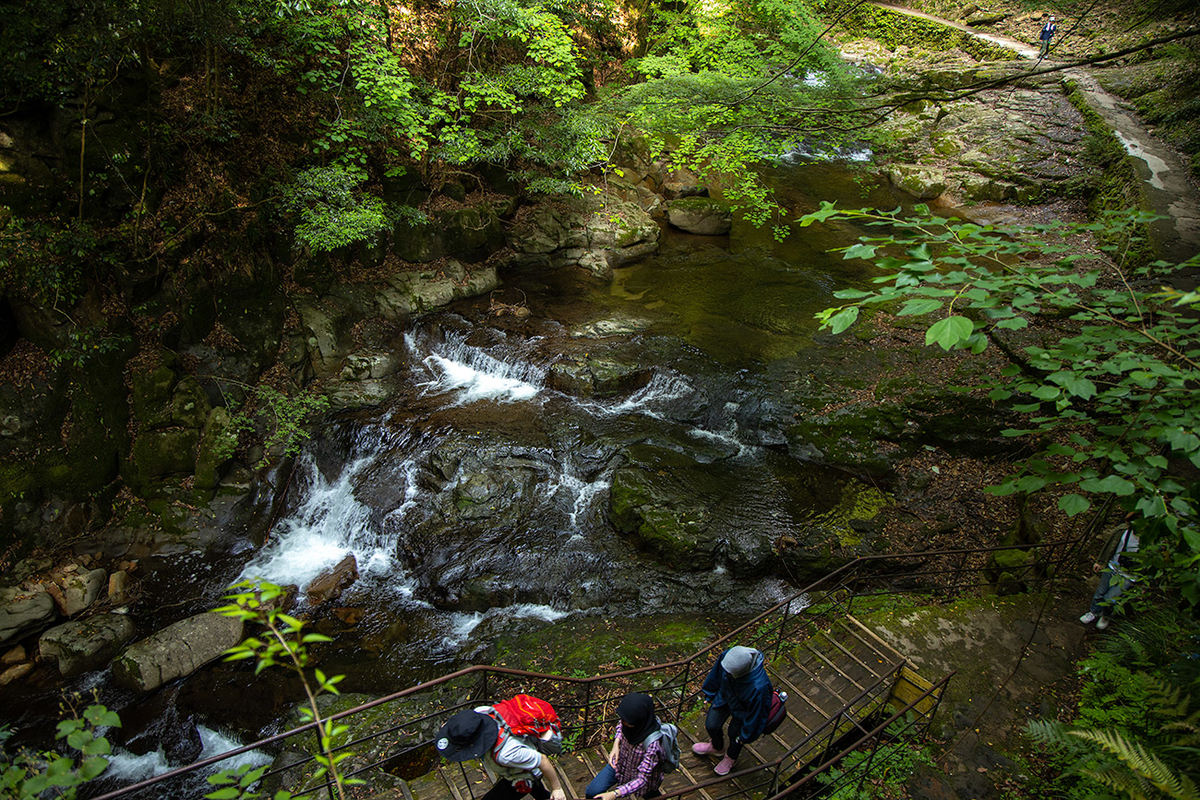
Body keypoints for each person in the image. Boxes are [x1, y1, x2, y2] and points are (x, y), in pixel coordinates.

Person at [435, 706, 567, 800]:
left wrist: (557, 788)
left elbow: (542, 760)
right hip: (518, 765)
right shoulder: (481, 713)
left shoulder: (507, 754)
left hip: (524, 775)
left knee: (533, 785)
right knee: (539, 792)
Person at [691, 645, 776, 776]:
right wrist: (710, 692)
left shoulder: (760, 687)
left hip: (743, 710)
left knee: (735, 736)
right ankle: (716, 746)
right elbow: (717, 672)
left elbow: (757, 714)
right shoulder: (729, 657)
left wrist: (746, 735)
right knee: (711, 724)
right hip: (725, 695)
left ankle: (731, 757)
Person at [586, 693, 669, 800]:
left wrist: (614, 794)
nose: (623, 722)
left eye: (627, 722)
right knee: (592, 791)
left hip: (641, 776)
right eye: (623, 719)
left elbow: (643, 779)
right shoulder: (630, 722)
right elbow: (621, 726)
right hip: (620, 764)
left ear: (639, 720)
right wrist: (616, 745)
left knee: (650, 794)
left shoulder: (653, 745)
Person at [1080, 517, 1140, 631]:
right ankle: (1094, 612)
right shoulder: (1123, 530)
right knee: (1100, 592)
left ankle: (1105, 616)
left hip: (1129, 575)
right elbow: (1110, 546)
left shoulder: (1149, 542)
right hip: (1113, 566)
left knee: (1111, 598)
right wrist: (1101, 561)